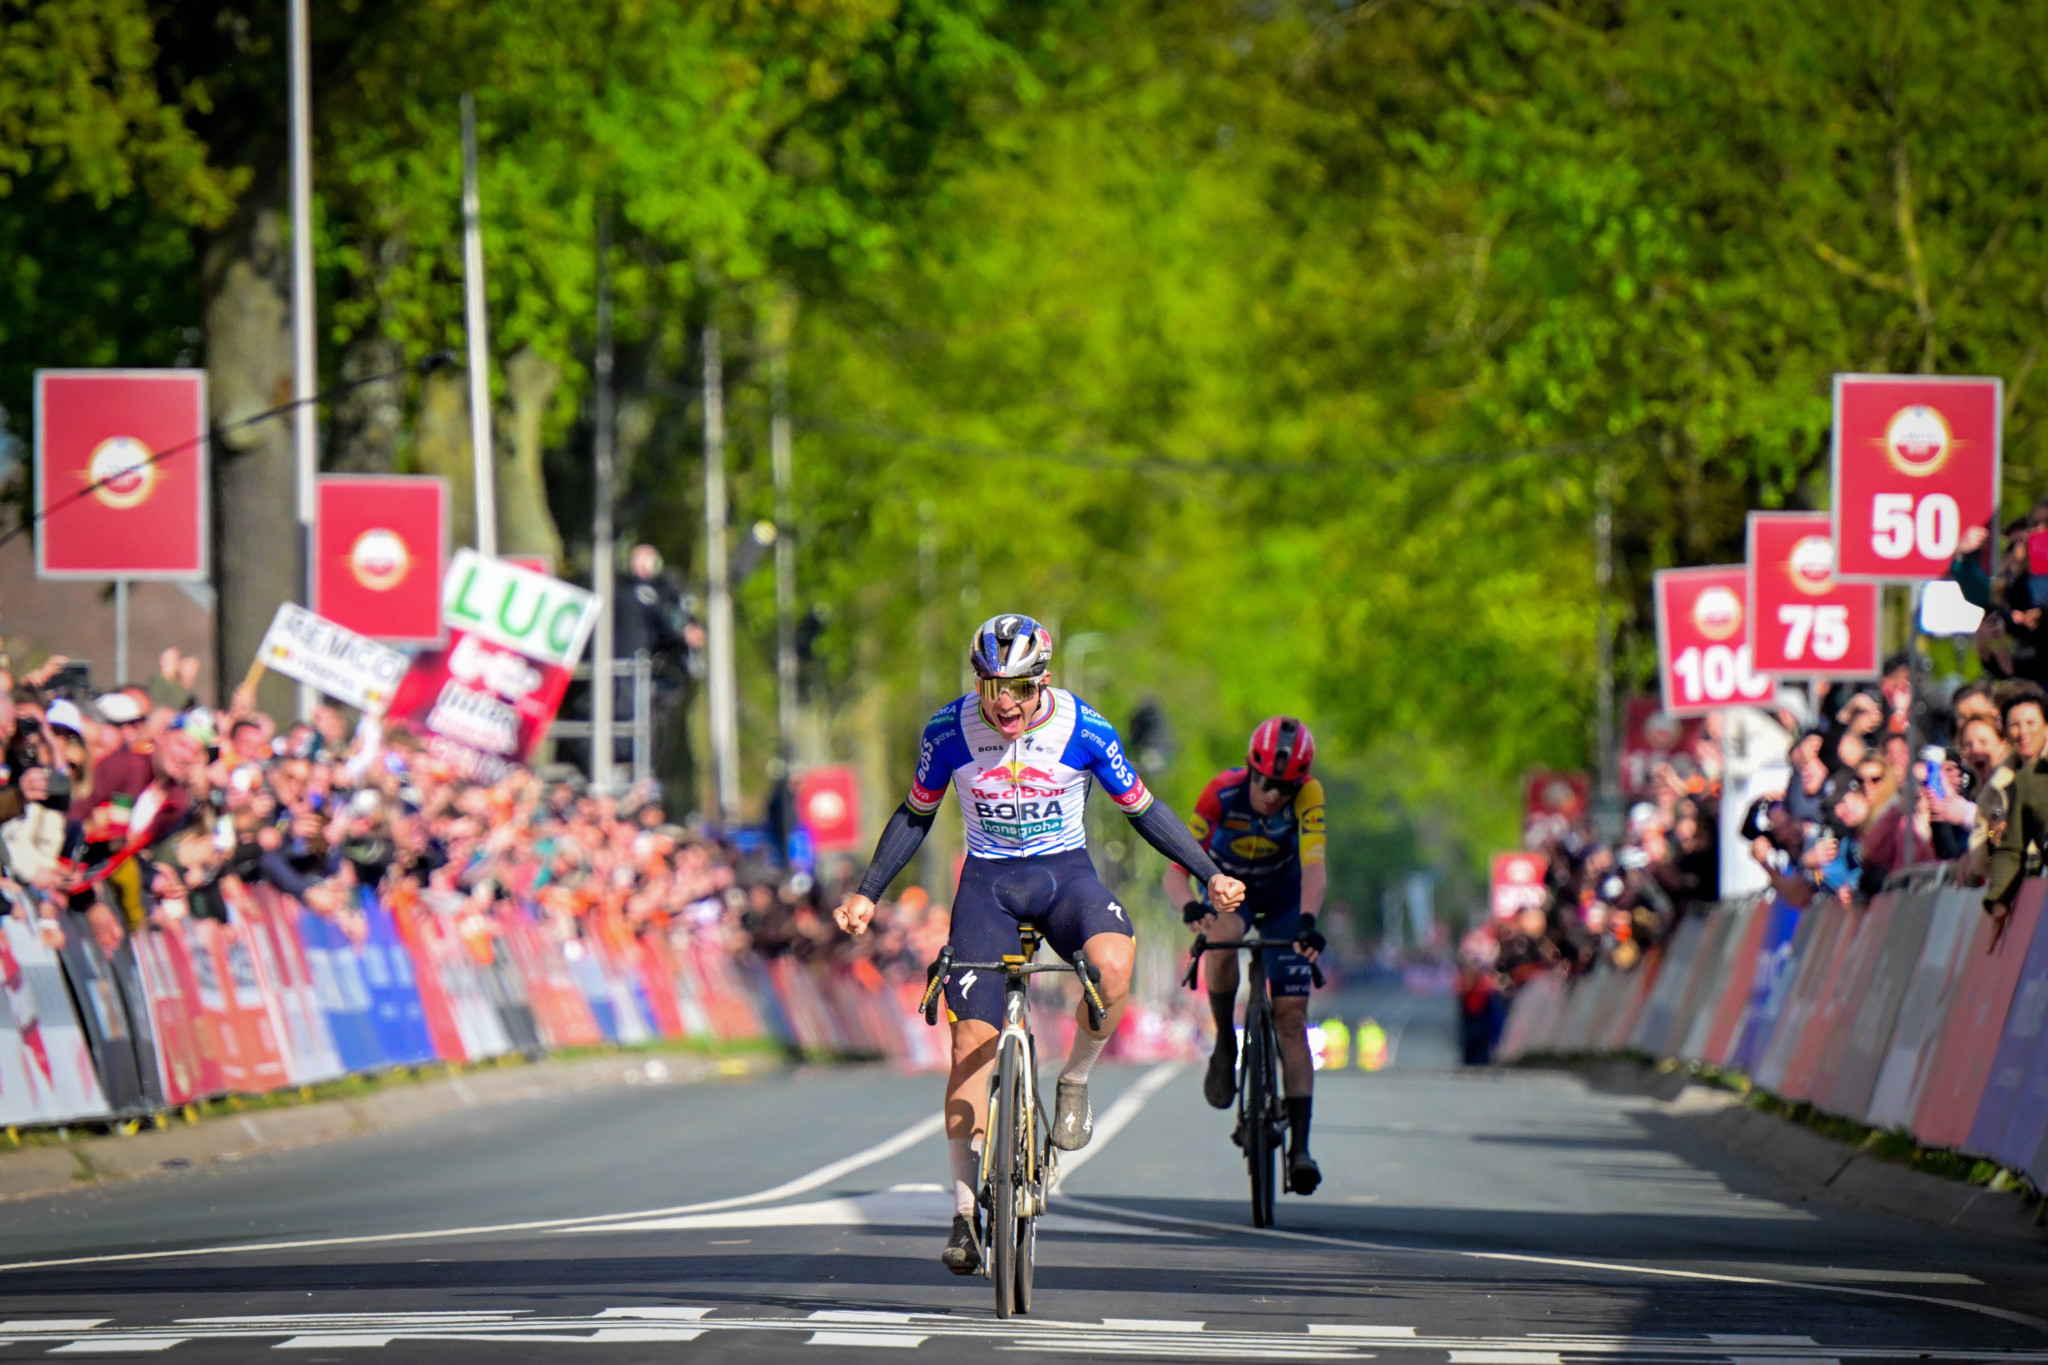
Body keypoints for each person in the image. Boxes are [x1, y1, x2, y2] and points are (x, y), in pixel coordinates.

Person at [832, 614, 1244, 1276]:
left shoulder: (1083, 726)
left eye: (1019, 689)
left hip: (1065, 876)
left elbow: (1145, 810)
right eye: (992, 687)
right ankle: (965, 1209)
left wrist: (1210, 871)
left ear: (1043, 681)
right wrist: (868, 892)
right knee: (970, 1042)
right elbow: (916, 813)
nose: (1005, 704)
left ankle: (1075, 1079)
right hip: (988, 883)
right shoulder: (949, 730)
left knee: (1113, 965)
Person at [1162, 715, 1328, 1196]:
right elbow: (1176, 872)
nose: (1274, 793)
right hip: (1233, 892)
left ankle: (1300, 1148)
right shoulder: (1219, 794)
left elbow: (1316, 866)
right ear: (1249, 770)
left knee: (1291, 1018)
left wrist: (1309, 922)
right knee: (1219, 942)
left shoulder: (1309, 795)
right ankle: (1224, 1042)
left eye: (1285, 786)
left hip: (1284, 897)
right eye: (1265, 782)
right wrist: (1191, 905)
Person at [1985, 685, 2048, 924]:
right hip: (2034, 885)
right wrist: (1998, 900)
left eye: (2030, 723)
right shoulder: (2001, 783)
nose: (2023, 732)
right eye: (2015, 724)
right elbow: (1997, 840)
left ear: (2046, 725)